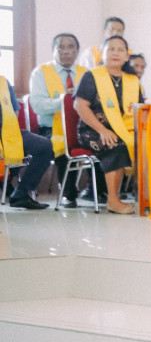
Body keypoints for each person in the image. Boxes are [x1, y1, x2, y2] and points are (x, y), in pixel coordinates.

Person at [74, 35, 142, 215]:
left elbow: (140, 110)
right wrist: (102, 130)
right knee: (116, 145)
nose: (115, 53)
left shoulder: (132, 80)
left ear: (127, 56)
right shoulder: (91, 76)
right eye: (110, 49)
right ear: (102, 54)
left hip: (124, 129)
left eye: (120, 50)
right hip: (93, 129)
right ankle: (113, 200)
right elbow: (79, 105)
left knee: (150, 145)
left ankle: (148, 198)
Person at [29, 32, 89, 206]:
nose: (66, 51)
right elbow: (37, 105)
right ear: (53, 50)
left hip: (82, 127)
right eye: (60, 47)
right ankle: (68, 193)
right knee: (62, 141)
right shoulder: (41, 72)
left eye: (71, 47)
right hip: (50, 127)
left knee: (105, 138)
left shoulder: (86, 74)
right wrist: (64, 100)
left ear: (77, 51)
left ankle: (98, 191)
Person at [0, 74, 54, 210]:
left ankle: (21, 194)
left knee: (45, 146)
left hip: (8, 131)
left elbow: (14, 113)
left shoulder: (3, 82)